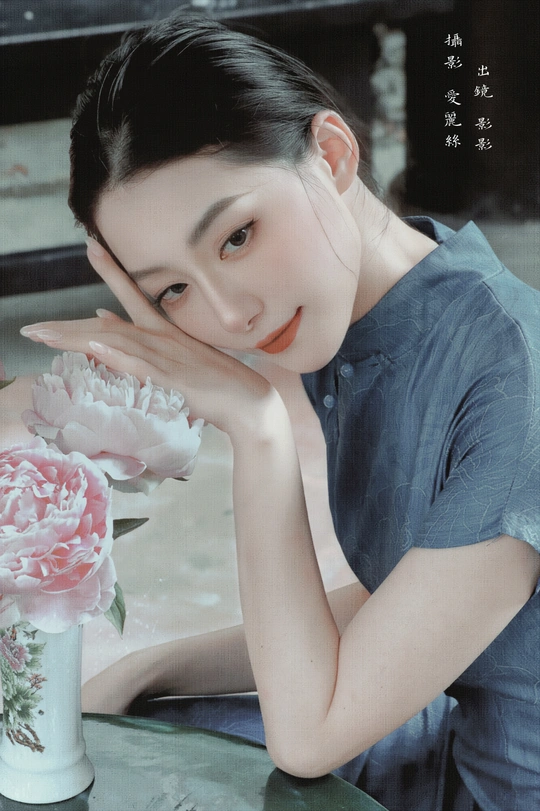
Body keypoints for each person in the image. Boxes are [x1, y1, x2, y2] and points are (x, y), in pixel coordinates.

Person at [20, 15, 540, 811]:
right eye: (173, 289)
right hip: (445, 758)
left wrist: (256, 426)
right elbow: (407, 597)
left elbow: (311, 735)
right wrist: (146, 669)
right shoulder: (362, 321)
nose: (230, 316)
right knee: (117, 740)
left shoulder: (513, 375)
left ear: (330, 155)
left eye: (237, 237)